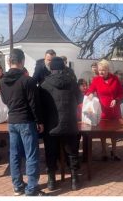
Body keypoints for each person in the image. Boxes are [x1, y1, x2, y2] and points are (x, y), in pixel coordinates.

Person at [0, 48, 44, 196]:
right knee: (31, 155)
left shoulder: (2, 81)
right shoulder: (28, 81)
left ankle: (17, 186)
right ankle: (31, 188)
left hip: (12, 121)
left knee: (14, 154)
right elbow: (34, 104)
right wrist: (39, 121)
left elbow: (5, 100)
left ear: (8, 61)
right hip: (26, 121)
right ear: (22, 61)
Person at [39, 57, 82, 191]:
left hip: (51, 126)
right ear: (63, 68)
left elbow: (40, 105)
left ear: (51, 69)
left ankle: (51, 181)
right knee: (72, 152)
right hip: (70, 124)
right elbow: (80, 98)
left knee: (50, 152)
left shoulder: (44, 84)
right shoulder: (72, 82)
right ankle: (75, 180)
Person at [86, 59, 123, 161]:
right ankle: (104, 152)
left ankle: (114, 151)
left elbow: (121, 93)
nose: (101, 72)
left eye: (103, 70)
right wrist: (89, 94)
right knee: (102, 132)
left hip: (114, 110)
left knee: (115, 132)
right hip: (103, 111)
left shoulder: (115, 78)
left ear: (108, 70)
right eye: (100, 70)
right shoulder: (96, 80)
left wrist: (116, 100)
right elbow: (90, 90)